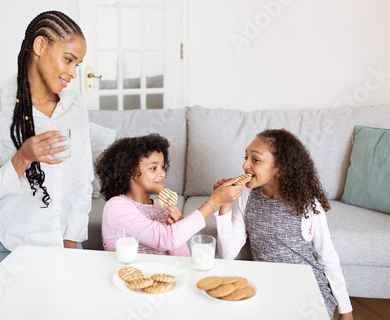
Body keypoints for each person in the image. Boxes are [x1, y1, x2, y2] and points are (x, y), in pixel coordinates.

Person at [0, 11, 93, 273]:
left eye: (77, 65)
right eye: (68, 60)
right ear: (39, 45)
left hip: (63, 242)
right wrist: (23, 157)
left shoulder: (75, 108)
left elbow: (83, 179)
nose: (72, 73)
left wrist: (71, 240)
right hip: (7, 245)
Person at [215, 129, 353, 320]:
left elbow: (328, 257)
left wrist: (346, 311)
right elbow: (227, 254)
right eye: (246, 157)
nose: (244, 165)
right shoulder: (246, 195)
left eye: (255, 160)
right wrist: (225, 206)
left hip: (308, 290)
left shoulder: (308, 205)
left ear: (280, 167)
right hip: (268, 287)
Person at [95, 133, 242, 256]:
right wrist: (214, 201)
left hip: (163, 277)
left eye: (163, 167)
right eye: (153, 168)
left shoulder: (160, 206)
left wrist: (179, 226)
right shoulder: (116, 207)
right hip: (133, 278)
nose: (163, 173)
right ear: (129, 172)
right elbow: (166, 238)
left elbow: (183, 257)